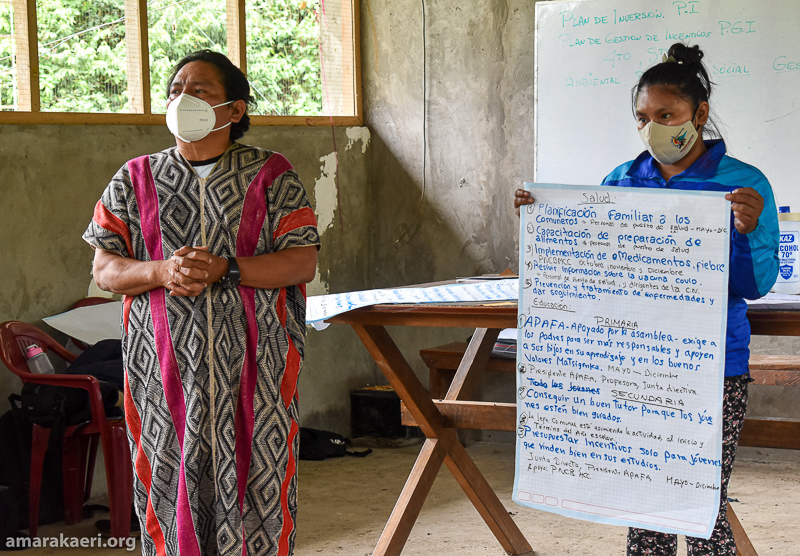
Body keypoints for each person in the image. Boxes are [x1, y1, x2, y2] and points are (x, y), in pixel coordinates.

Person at [514, 43, 779, 555]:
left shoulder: (743, 185)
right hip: (631, 366)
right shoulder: (620, 181)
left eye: (666, 115)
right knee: (641, 500)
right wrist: (541, 220)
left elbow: (754, 285)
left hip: (710, 370)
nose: (653, 128)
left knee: (703, 502)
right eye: (642, 117)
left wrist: (743, 232)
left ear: (699, 115)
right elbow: (593, 271)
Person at [83, 50, 320, 556]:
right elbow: (105, 270)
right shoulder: (135, 178)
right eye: (175, 90)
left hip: (256, 379)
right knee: (170, 496)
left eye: (200, 91)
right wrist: (161, 271)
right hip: (163, 379)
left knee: (258, 492)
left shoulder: (272, 174)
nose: (182, 100)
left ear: (234, 110)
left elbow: (302, 261)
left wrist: (227, 268)